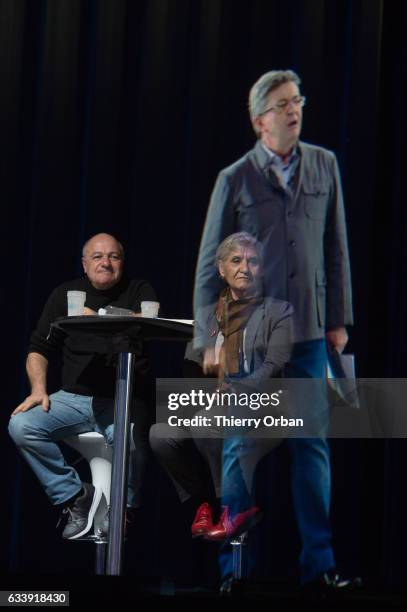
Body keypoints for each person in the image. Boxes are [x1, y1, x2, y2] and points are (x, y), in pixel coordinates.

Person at [193, 70, 357, 592]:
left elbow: (336, 248)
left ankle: (320, 567)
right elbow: (207, 266)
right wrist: (208, 341)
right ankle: (234, 571)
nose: (295, 110)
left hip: (309, 334)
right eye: (284, 104)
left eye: (299, 101)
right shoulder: (235, 178)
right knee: (241, 450)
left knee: (312, 450)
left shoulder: (324, 164)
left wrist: (337, 322)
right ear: (260, 120)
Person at [9, 233, 157, 540]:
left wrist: (98, 316)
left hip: (122, 397)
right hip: (73, 398)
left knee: (134, 445)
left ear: (122, 262)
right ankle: (75, 495)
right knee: (21, 425)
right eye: (98, 256)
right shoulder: (66, 294)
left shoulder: (138, 289)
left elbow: (150, 320)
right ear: (85, 264)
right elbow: (38, 348)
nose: (106, 262)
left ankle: (123, 510)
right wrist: (39, 389)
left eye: (113, 256)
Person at [150, 232, 292, 545]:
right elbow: (189, 370)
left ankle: (230, 507)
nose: (245, 268)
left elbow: (274, 367)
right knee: (161, 434)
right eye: (236, 260)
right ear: (221, 268)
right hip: (212, 404)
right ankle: (203, 504)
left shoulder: (279, 312)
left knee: (207, 424)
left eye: (253, 261)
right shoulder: (206, 316)